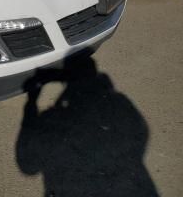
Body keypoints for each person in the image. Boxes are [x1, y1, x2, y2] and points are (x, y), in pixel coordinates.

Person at [16, 56, 158, 197]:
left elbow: (28, 165)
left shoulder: (57, 119)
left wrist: (32, 101)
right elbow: (139, 133)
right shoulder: (118, 103)